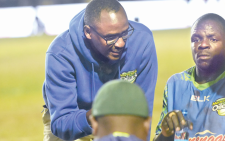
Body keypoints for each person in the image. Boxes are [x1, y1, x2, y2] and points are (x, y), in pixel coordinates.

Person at [42, 0, 158, 140]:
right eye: (110, 37)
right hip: (74, 122)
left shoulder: (142, 41)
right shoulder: (60, 53)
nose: (121, 43)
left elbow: (143, 111)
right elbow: (61, 123)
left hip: (118, 120)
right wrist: (99, 115)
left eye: (125, 33)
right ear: (88, 32)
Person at [154, 13, 225, 141]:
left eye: (213, 39)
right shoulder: (176, 84)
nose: (202, 44)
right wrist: (165, 133)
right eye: (196, 39)